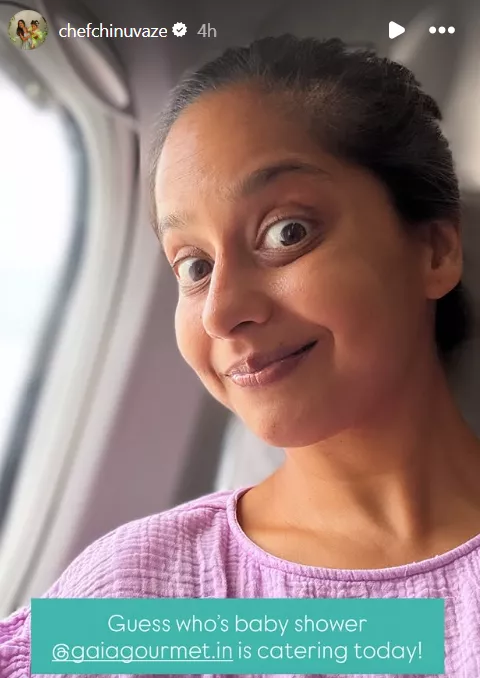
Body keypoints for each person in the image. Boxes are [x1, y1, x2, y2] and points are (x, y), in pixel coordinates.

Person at [1, 34, 479, 678]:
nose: (220, 312)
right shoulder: (146, 598)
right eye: (194, 267)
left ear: (435, 251)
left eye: (287, 232)